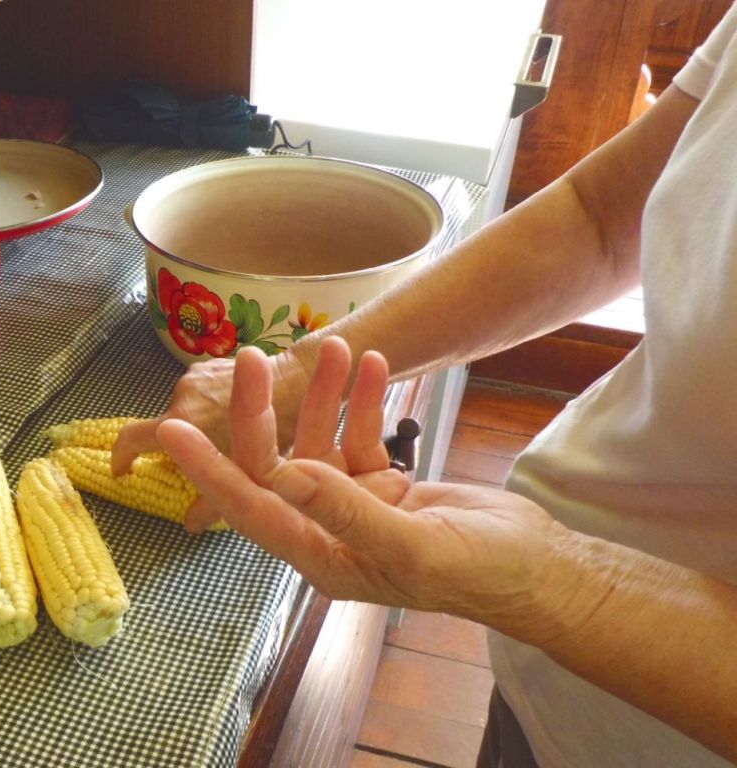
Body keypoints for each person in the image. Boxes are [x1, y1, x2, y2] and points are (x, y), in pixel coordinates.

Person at [112, 5, 737, 767]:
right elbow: (601, 218)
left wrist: (562, 583)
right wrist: (295, 374)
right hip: (553, 687)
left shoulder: (548, 584)